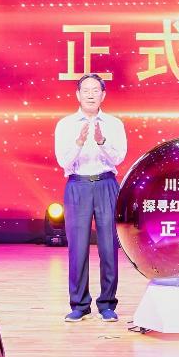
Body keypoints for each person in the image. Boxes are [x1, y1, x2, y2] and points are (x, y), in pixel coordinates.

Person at [54, 74, 127, 322]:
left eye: (96, 90)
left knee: (109, 247)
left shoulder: (114, 123)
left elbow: (118, 158)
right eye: (86, 90)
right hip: (78, 185)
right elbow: (63, 161)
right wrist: (79, 142)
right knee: (77, 247)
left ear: (103, 95)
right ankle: (79, 304)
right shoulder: (65, 124)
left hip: (106, 184)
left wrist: (101, 141)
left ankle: (107, 303)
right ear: (78, 94)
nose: (90, 94)